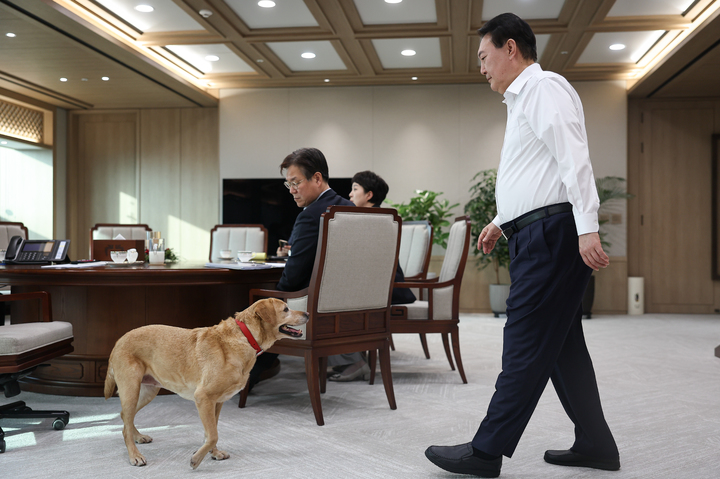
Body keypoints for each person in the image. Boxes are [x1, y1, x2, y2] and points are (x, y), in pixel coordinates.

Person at [424, 13, 619, 478]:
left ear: (511, 48)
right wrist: (500, 222)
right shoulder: (523, 99)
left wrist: (587, 225)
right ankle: (595, 444)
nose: (482, 67)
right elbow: (537, 175)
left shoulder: (543, 87)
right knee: (561, 346)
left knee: (525, 340)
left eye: (484, 56)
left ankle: (486, 451)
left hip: (554, 235)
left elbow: (574, 158)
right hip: (537, 231)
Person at [248, 147, 354, 389]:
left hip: (316, 309)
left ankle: (247, 374)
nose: (292, 191)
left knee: (262, 307)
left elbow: (292, 278)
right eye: (288, 185)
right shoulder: (350, 208)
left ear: (317, 178)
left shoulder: (311, 216)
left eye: (296, 183)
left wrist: (273, 297)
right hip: (353, 311)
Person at [327, 170, 416, 382]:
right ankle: (347, 357)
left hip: (386, 289)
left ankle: (352, 361)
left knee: (329, 300)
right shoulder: (376, 218)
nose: (349, 195)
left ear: (369, 195)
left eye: (355, 189)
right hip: (378, 286)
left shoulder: (374, 220)